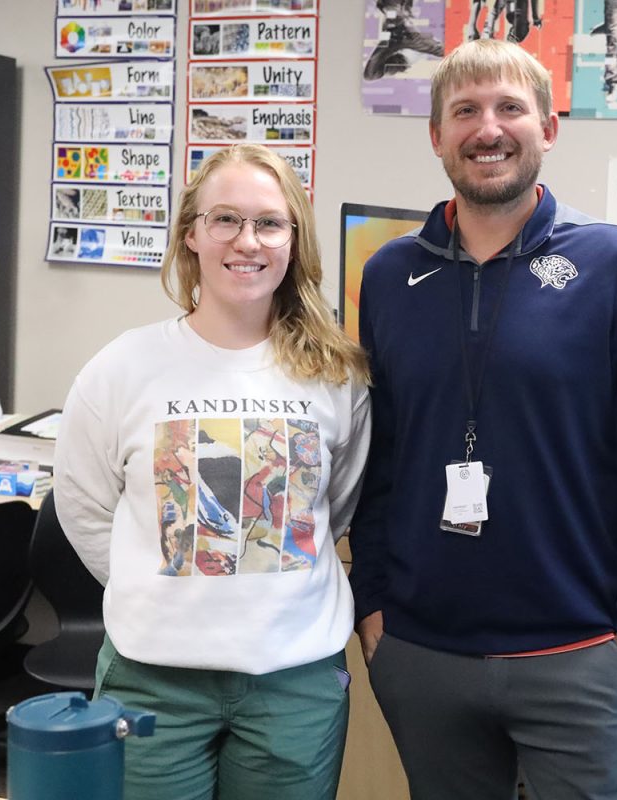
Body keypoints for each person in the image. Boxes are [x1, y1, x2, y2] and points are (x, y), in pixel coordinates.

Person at [348, 38, 617, 800]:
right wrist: (373, 610)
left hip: (577, 648)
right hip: (422, 650)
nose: (487, 128)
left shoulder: (612, 262)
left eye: (510, 108)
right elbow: (381, 455)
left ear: (549, 128)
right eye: (464, 111)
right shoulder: (390, 275)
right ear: (437, 135)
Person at [54, 143, 371, 800]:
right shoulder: (122, 368)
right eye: (225, 219)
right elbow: (83, 508)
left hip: (294, 683)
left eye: (269, 223)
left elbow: (334, 506)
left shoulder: (336, 376)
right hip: (153, 677)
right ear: (192, 235)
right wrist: (163, 584)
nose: (246, 241)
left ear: (293, 240)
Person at [363, 0, 444, 81]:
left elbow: (442, 50)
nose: (389, 12)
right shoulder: (390, 26)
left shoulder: (413, 38)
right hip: (396, 48)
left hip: (405, 49)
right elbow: (370, 74)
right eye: (387, 9)